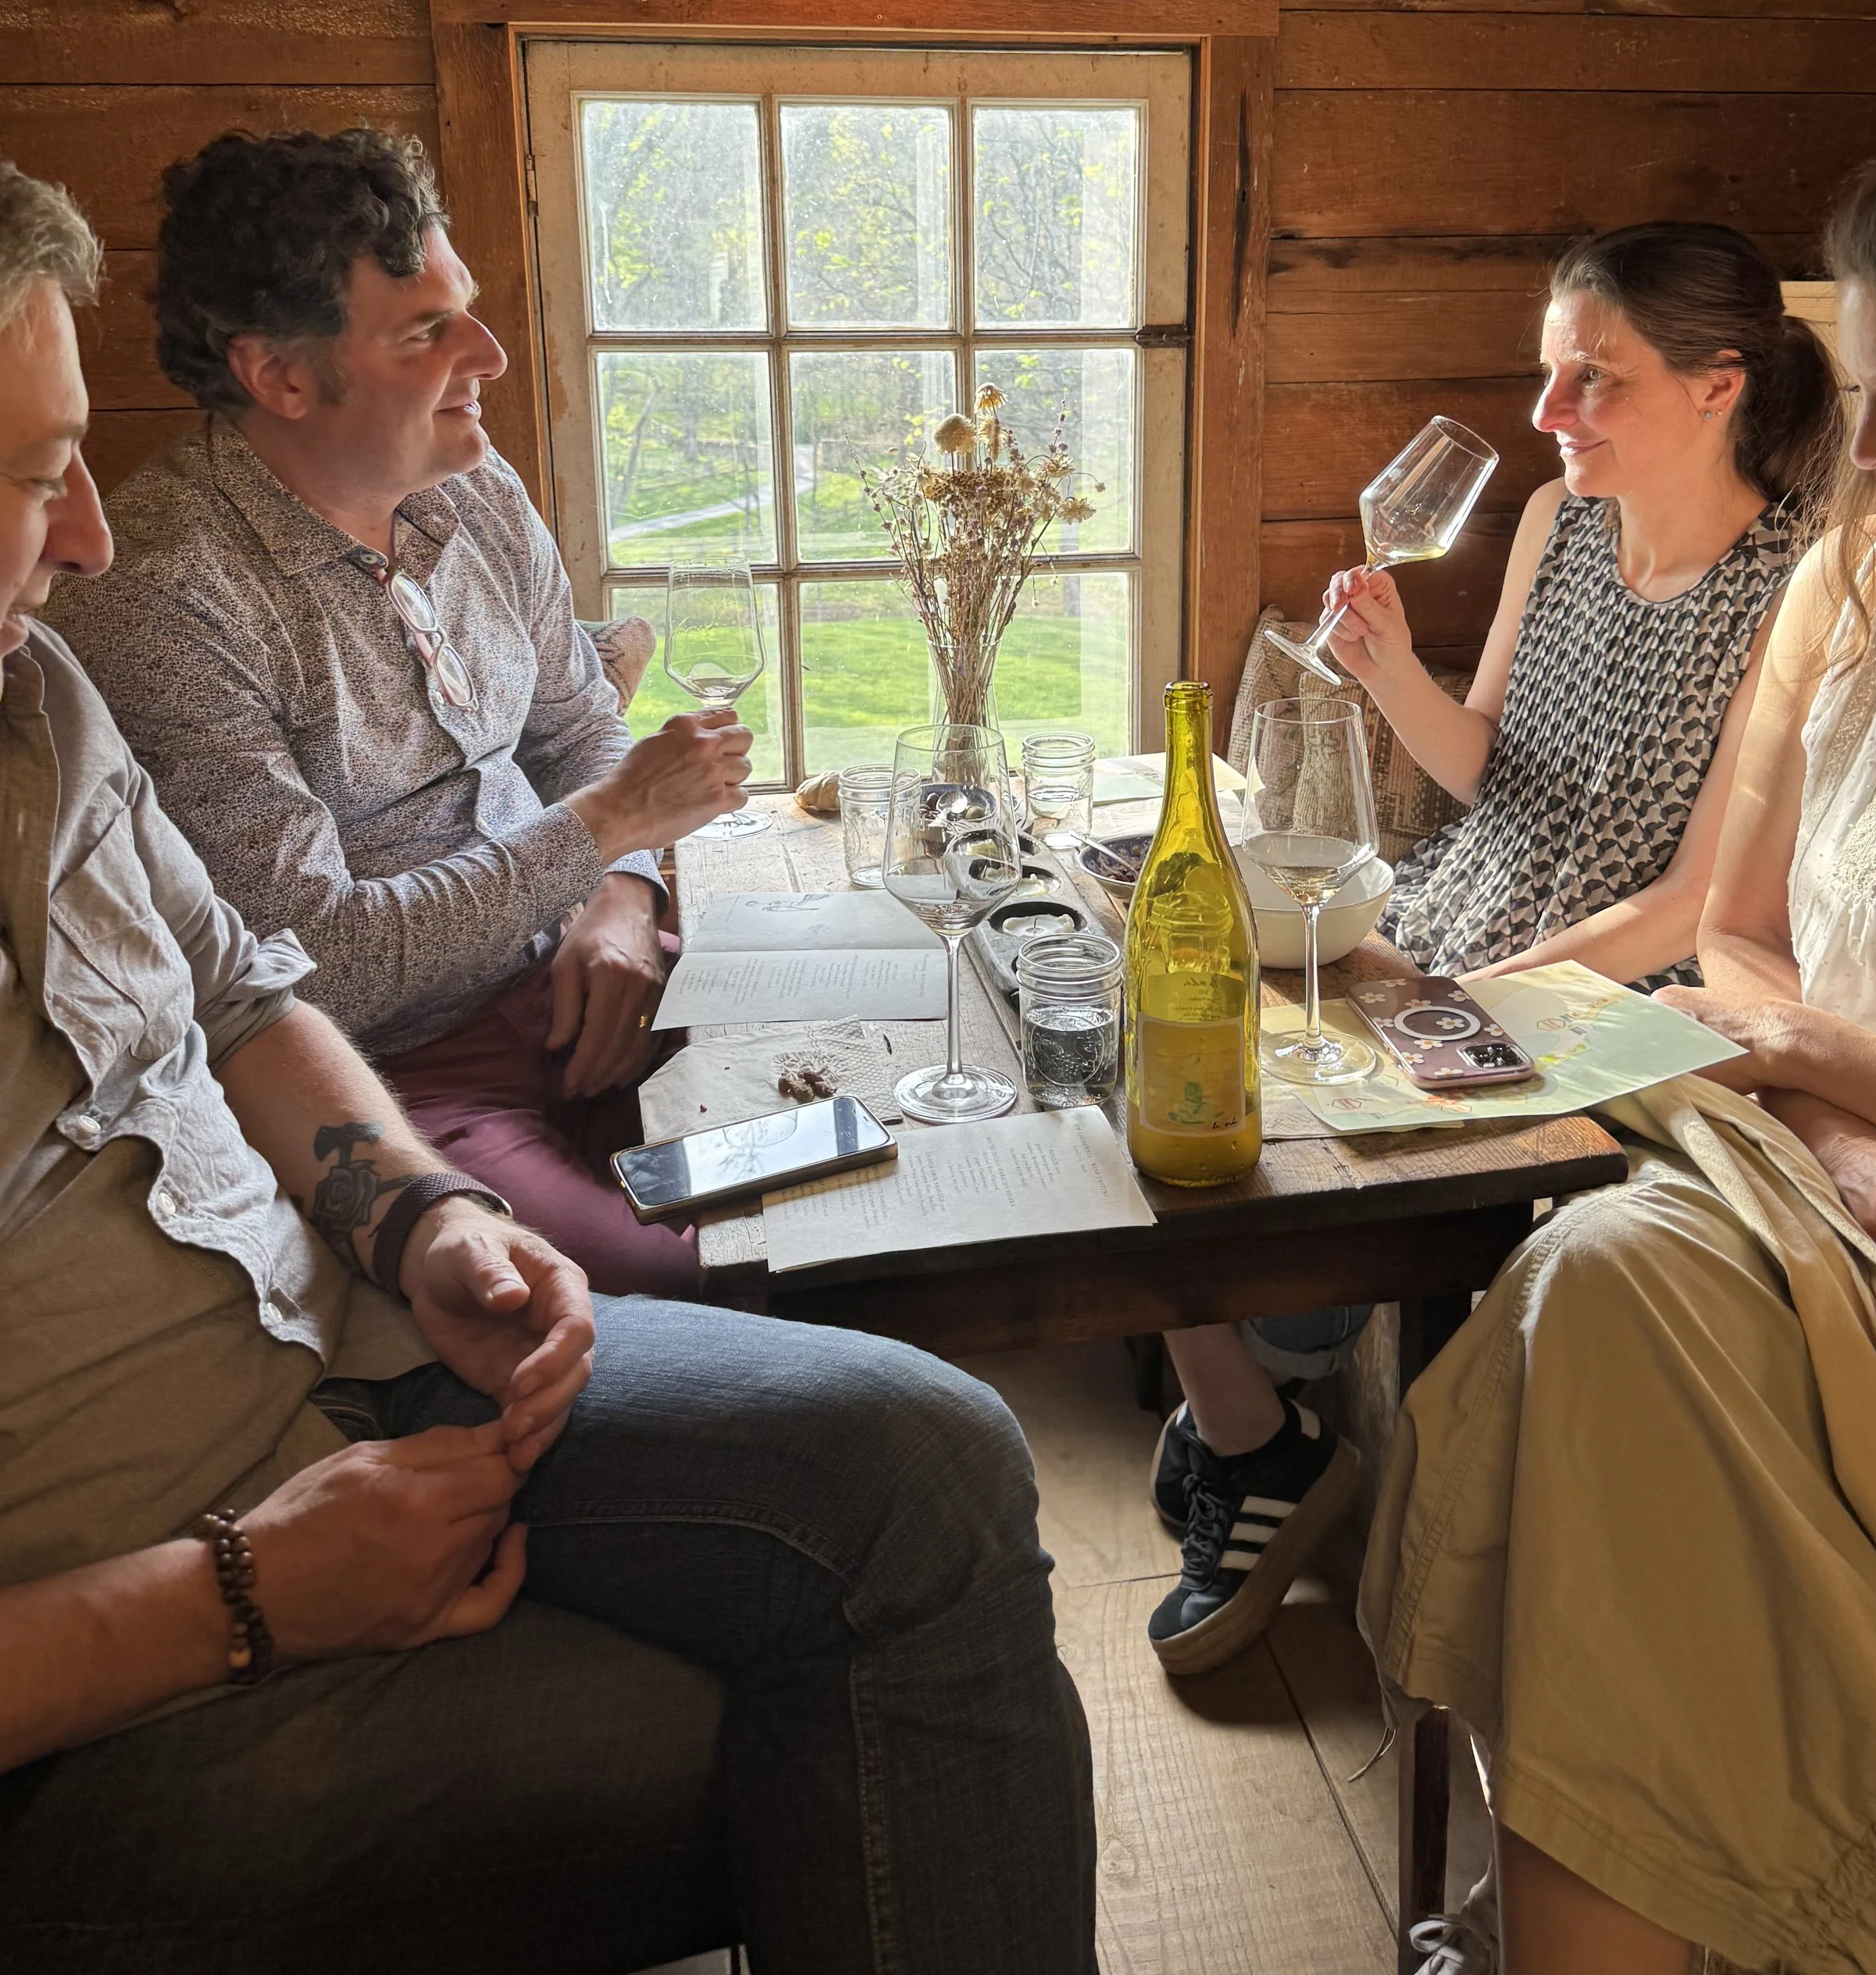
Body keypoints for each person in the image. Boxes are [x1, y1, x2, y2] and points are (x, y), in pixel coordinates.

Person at [0, 159, 1095, 1975]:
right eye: (38, 474)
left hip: (350, 1332)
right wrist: (239, 1597)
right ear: (282, 374)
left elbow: (251, 992)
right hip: (169, 1564)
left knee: (924, 1402)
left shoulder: (39, 695)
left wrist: (421, 1220)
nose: (91, 531)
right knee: (843, 1657)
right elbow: (349, 961)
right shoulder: (164, 609)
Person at [1366, 147, 1876, 1975]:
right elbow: (1743, 934)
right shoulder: (1855, 595)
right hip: (1824, 1170)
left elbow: (1733, 963)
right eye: (1870, 400)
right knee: (1591, 1273)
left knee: (1595, 1327)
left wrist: (1798, 1047)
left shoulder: (1775, 562)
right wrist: (1836, 1119)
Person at [1147, 222, 1843, 1676]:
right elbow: (1481, 770)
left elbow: (1695, 903)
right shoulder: (1551, 522)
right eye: (1548, 376)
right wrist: (1388, 664)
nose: (1548, 416)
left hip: (1596, 993)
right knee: (1154, 1054)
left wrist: (1466, 1003)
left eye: (1593, 380)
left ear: (1721, 387)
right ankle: (1256, 1425)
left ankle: (1261, 1428)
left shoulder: (1795, 587)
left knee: (1252, 1133)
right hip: (1441, 923)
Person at [47, 128, 749, 1296]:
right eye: (428, 331)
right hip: (400, 1071)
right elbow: (314, 966)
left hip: (595, 969)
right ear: (279, 375)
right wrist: (607, 832)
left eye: (463, 308)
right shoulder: (165, 599)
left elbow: (578, 727)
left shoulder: (470, 482)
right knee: (689, 1275)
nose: (492, 353)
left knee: (859, 1149)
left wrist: (622, 900)